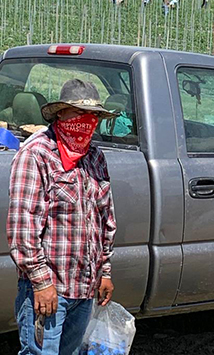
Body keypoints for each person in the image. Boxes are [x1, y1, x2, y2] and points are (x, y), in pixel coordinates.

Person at [7, 79, 118, 355]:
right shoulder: (36, 155)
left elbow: (105, 218)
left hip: (83, 289)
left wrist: (104, 271)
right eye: (78, 114)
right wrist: (42, 283)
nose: (86, 122)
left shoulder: (94, 157)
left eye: (92, 116)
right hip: (49, 291)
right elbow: (23, 229)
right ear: (60, 115)